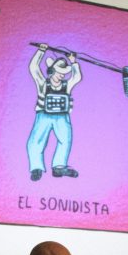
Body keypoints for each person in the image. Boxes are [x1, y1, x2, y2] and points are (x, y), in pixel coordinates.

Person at [27, 43, 82, 181]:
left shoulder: (66, 85)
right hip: (43, 115)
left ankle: (59, 167)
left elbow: (77, 78)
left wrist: (73, 62)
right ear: (51, 71)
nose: (61, 75)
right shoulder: (42, 83)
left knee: (65, 139)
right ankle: (36, 168)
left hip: (62, 116)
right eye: (59, 72)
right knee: (36, 140)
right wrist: (41, 51)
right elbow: (34, 68)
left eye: (63, 73)